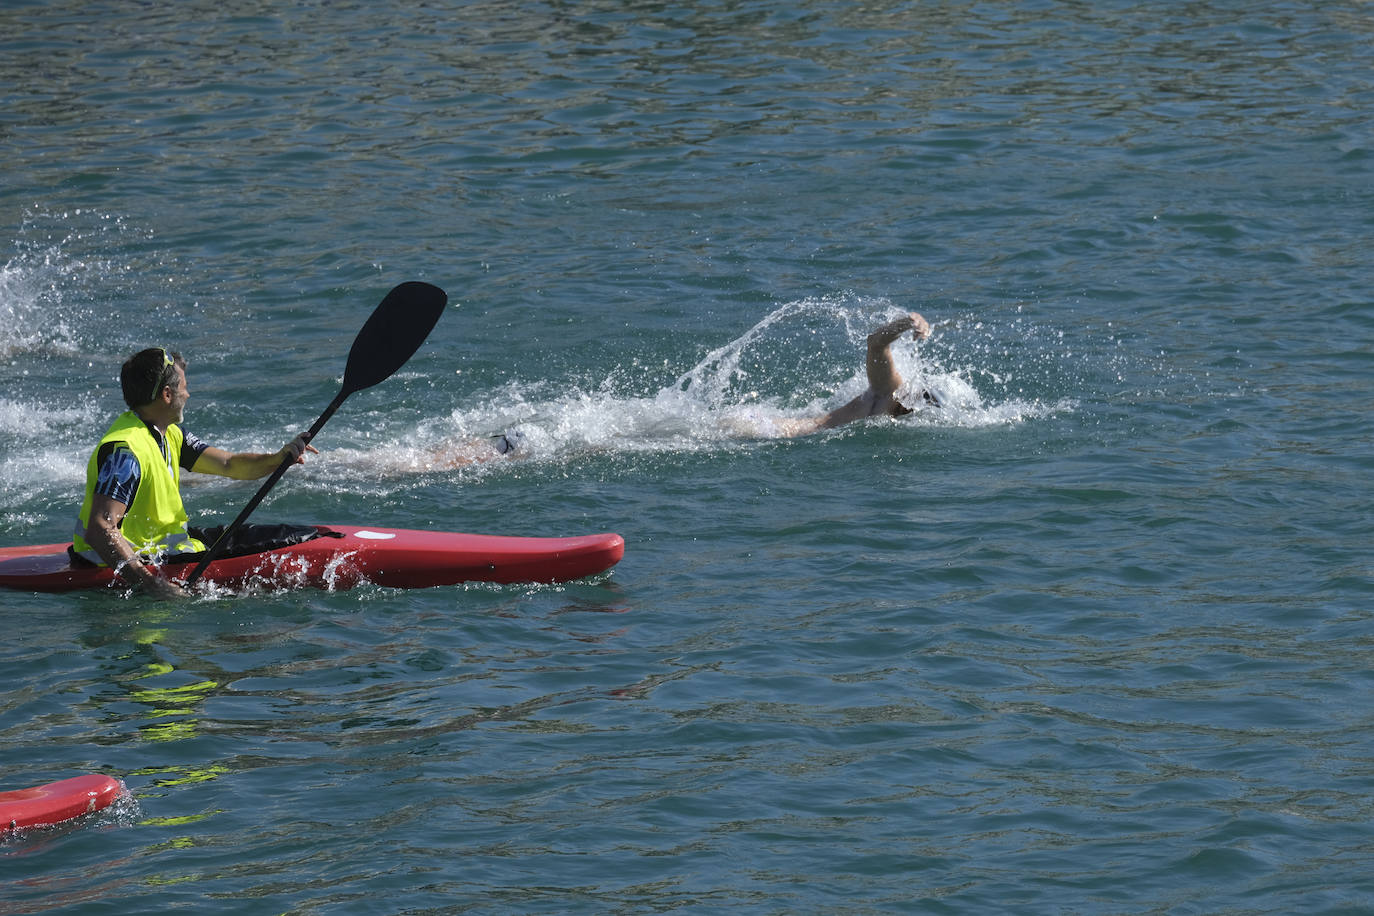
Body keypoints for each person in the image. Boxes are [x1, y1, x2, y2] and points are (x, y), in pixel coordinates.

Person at [72, 347, 317, 599]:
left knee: (286, 535)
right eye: (184, 387)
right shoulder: (126, 451)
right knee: (284, 545)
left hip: (165, 546)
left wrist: (279, 458)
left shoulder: (169, 434)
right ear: (167, 394)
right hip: (130, 559)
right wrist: (150, 584)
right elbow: (100, 528)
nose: (188, 394)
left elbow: (228, 464)